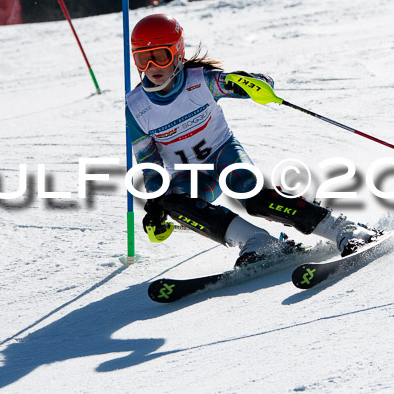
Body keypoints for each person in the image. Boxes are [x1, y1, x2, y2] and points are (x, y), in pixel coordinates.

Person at [125, 14, 378, 267]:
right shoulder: (136, 108)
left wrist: (246, 83)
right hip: (188, 175)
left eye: (160, 57)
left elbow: (261, 83)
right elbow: (149, 164)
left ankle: (345, 230)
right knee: (174, 204)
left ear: (178, 53)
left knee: (252, 195)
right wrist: (156, 203)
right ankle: (257, 242)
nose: (152, 67)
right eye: (142, 59)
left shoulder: (202, 81)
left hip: (223, 155)